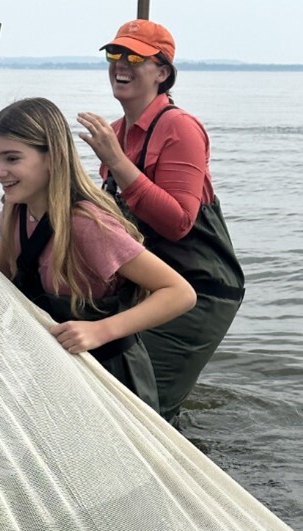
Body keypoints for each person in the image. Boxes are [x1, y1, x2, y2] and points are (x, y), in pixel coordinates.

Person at [0, 97, 196, 412]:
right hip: (52, 369)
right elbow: (4, 279)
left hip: (111, 377)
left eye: (12, 158)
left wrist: (100, 330)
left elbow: (180, 293)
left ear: (52, 156)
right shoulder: (13, 211)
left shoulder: (85, 224)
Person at [77, 19, 245, 424]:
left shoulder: (179, 127)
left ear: (163, 72)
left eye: (136, 56)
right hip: (149, 288)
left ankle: (172, 480)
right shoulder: (116, 131)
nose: (122, 63)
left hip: (199, 292)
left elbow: (178, 223)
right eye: (114, 53)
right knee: (112, 388)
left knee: (141, 408)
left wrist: (117, 162)